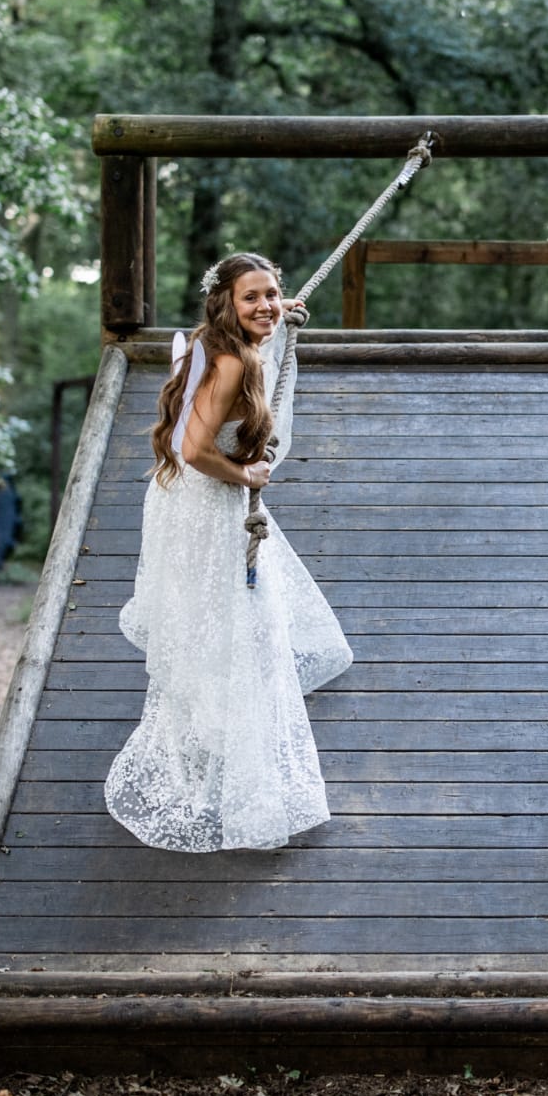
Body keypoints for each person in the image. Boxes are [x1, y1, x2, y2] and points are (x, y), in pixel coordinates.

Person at [104, 252, 353, 851]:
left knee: (214, 618)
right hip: (205, 502)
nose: (266, 305)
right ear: (226, 303)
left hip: (178, 502)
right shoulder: (233, 361)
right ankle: (231, 749)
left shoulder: (206, 342)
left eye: (272, 294)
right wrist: (246, 476)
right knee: (236, 624)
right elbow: (193, 448)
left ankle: (219, 728)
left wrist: (275, 314)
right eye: (252, 297)